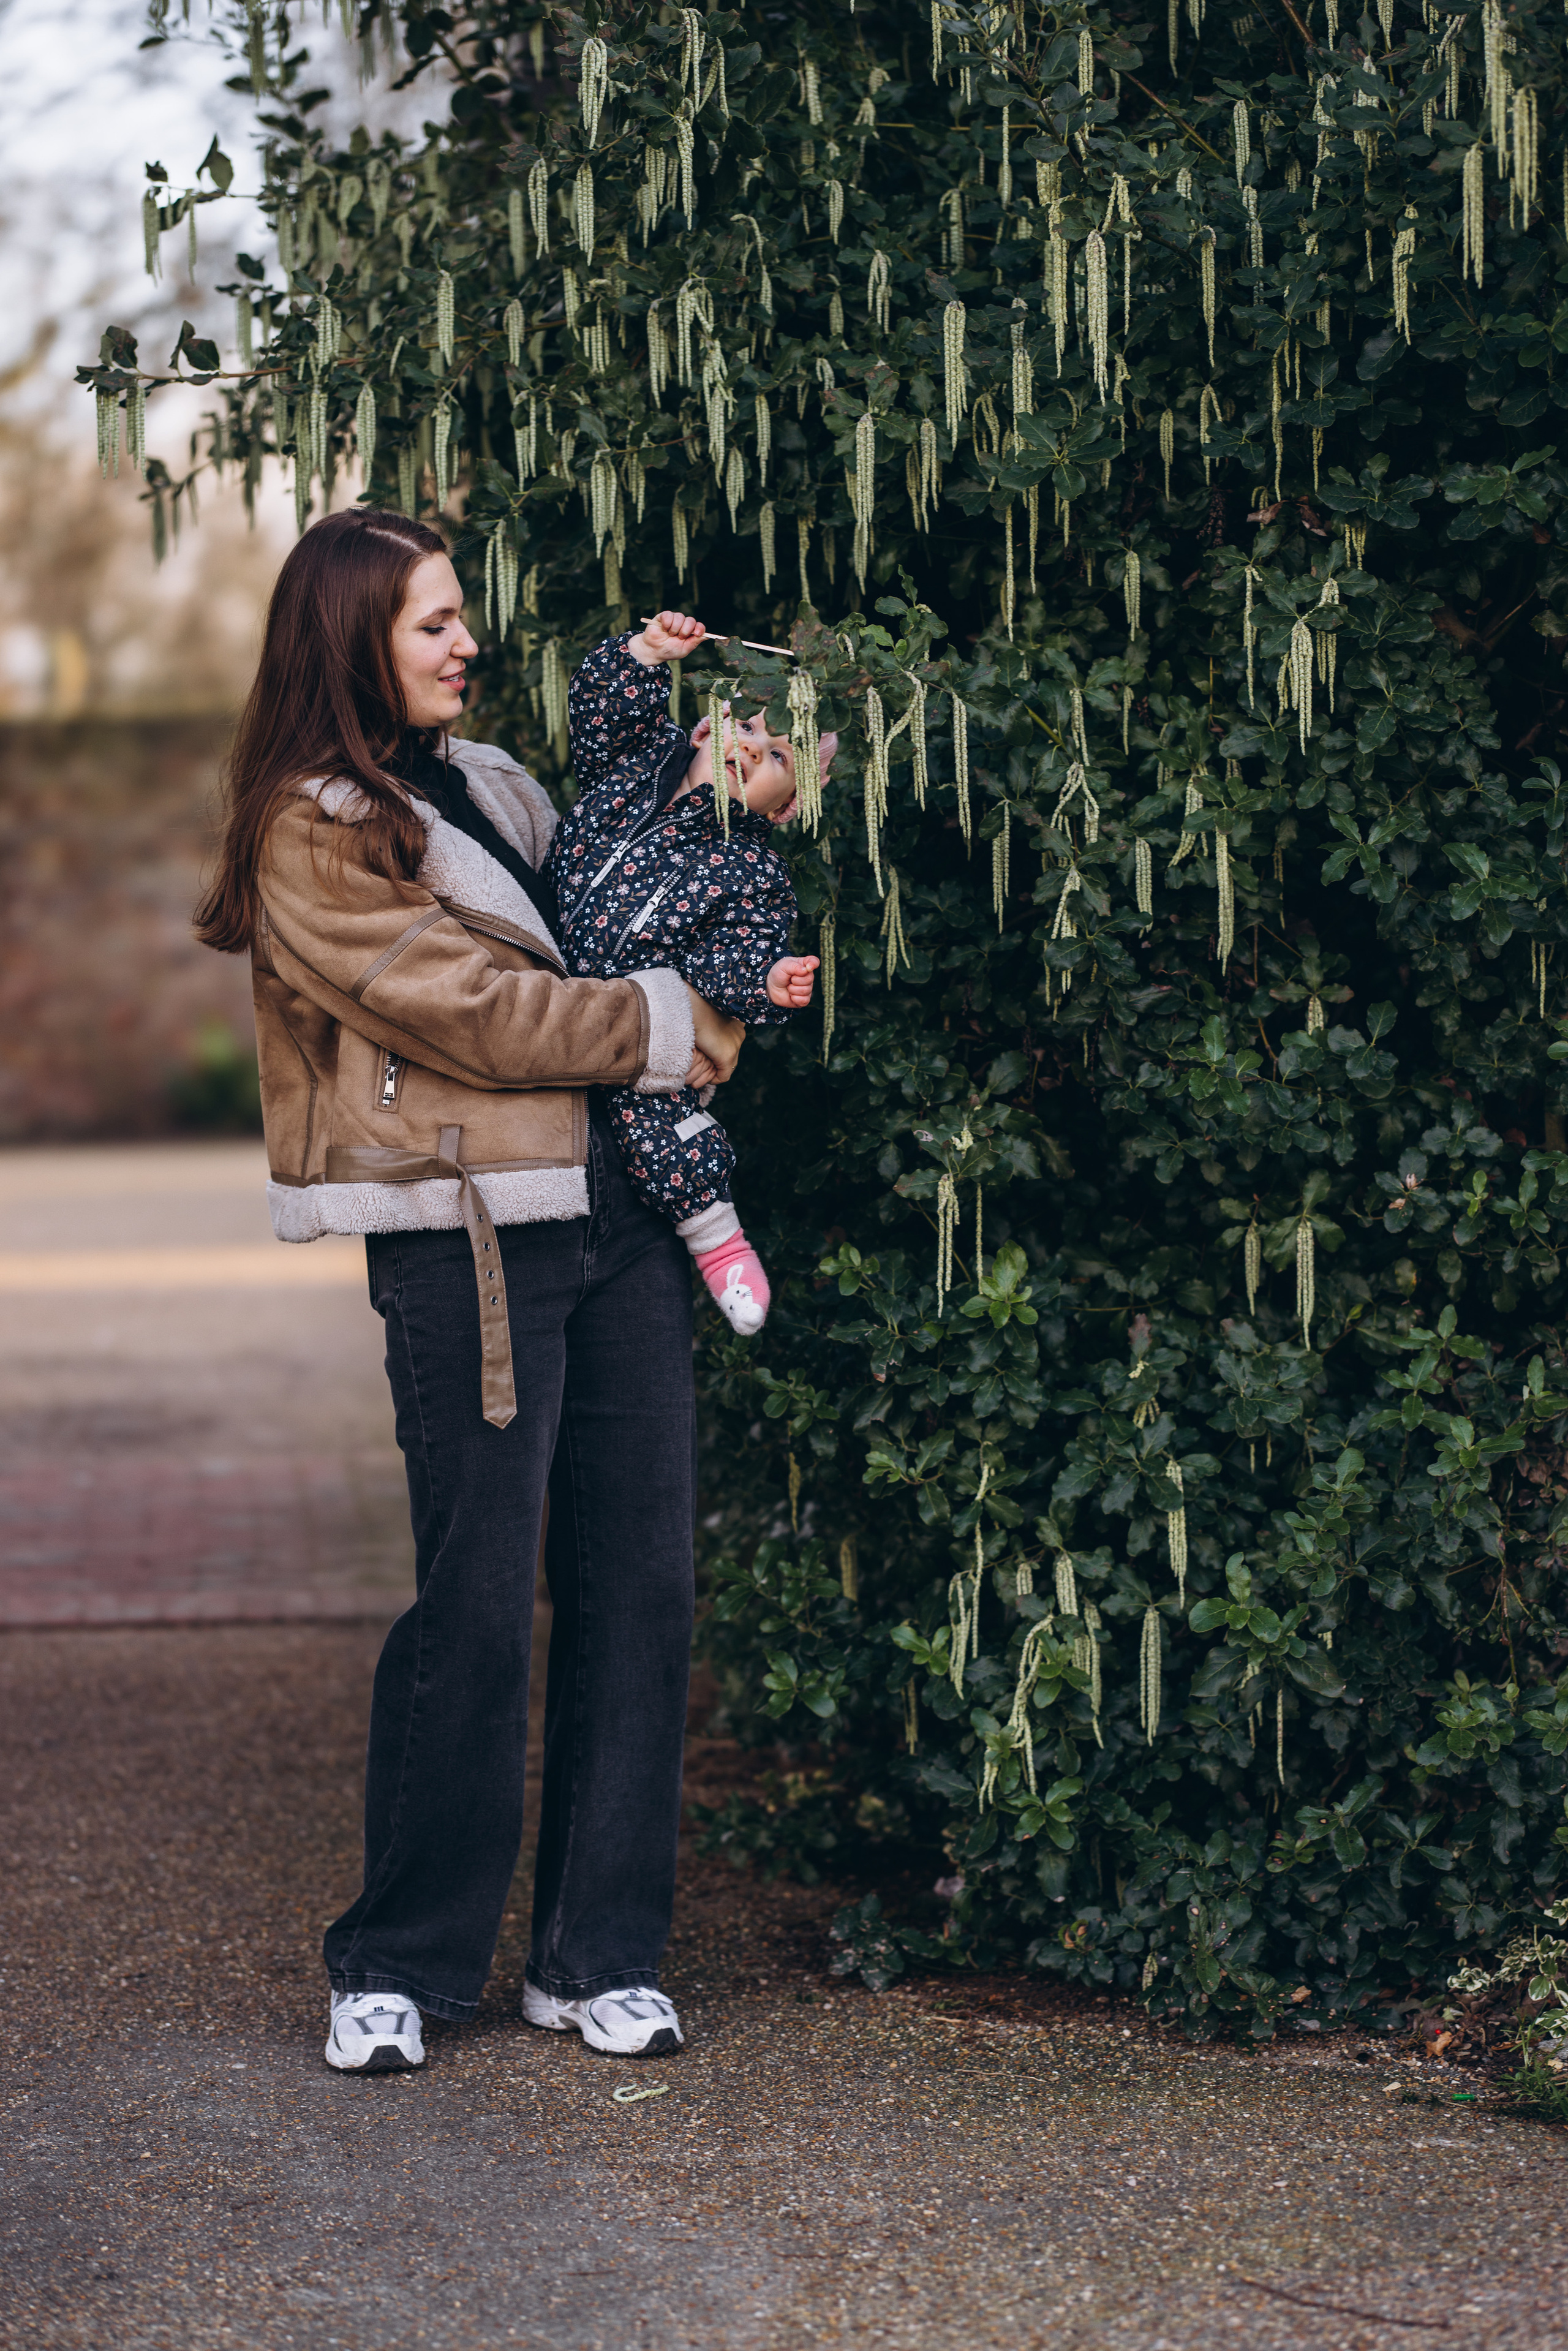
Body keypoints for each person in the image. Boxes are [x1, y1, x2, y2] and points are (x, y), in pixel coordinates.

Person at [195, 508, 747, 2074]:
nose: (464, 644)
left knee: (637, 1593)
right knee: (477, 1604)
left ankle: (596, 1955)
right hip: (466, 1240)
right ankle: (399, 1960)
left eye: (461, 620)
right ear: (348, 636)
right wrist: (670, 1023)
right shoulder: (309, 826)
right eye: (431, 622)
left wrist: (732, 797)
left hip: (618, 1218)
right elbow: (480, 1011)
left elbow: (616, 907)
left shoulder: (497, 784)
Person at [552, 612, 835, 1335]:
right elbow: (602, 707)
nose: (753, 750)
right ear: (708, 729)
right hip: (544, 988)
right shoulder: (636, 763)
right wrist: (647, 653)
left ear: (789, 807)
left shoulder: (751, 870)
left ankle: (719, 1242)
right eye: (750, 730)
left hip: (636, 1029)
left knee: (666, 1124)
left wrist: (767, 979)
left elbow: (731, 953)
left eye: (776, 758)